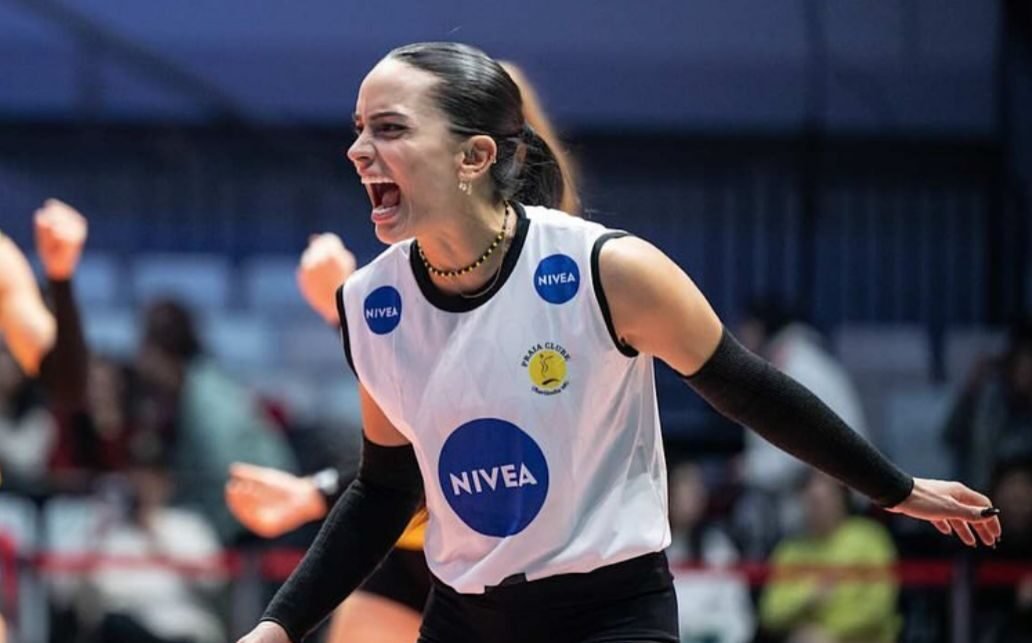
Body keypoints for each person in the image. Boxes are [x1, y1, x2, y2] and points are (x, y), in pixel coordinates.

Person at [237, 42, 1001, 643]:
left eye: (390, 127)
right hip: (463, 614)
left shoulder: (607, 268)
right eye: (358, 129)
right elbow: (387, 487)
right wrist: (279, 624)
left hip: (609, 612)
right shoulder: (371, 303)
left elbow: (746, 384)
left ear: (475, 157)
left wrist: (895, 487)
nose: (358, 149)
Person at [758, 471, 900, 643]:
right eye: (811, 501)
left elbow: (879, 607)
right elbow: (770, 613)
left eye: (822, 501)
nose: (816, 508)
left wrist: (830, 635)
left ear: (840, 499)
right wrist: (809, 598)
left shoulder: (870, 539)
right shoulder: (790, 550)